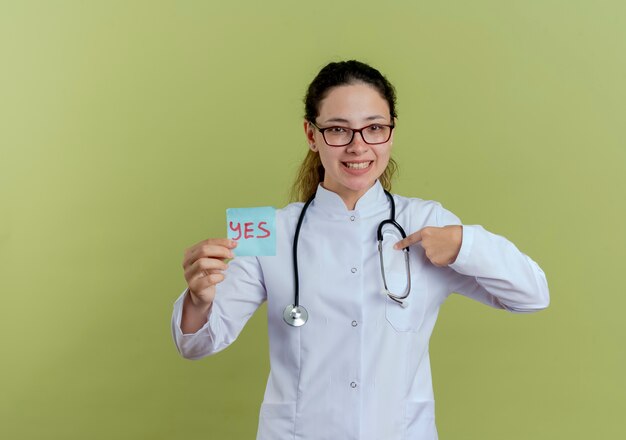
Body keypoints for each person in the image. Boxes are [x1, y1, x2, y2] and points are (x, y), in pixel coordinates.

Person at [171, 60, 550, 440]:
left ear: (391, 131)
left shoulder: (426, 221)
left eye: (374, 128)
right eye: (338, 129)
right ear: (311, 133)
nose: (358, 146)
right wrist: (199, 300)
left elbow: (532, 296)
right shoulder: (270, 229)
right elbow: (198, 345)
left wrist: (466, 244)